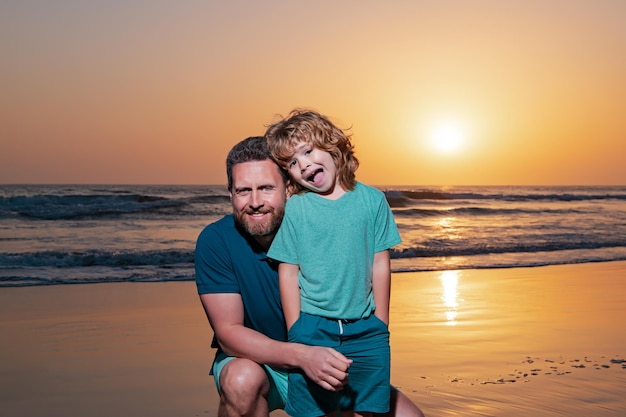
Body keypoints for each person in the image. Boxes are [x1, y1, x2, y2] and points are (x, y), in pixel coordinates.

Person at [195, 136, 426, 417]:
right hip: (262, 365)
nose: (255, 202)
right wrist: (303, 355)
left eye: (267, 188)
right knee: (241, 380)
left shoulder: (324, 225)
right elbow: (229, 334)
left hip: (328, 359)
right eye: (244, 190)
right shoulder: (216, 240)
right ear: (230, 194)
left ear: (289, 189)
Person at [264, 109, 399, 417]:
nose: (304, 165)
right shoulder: (297, 208)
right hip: (311, 328)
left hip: (368, 329)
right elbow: (288, 270)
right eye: (293, 163)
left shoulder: (372, 200)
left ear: (332, 144)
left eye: (308, 151)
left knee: (373, 409)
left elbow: (380, 262)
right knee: (315, 412)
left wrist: (382, 321)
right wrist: (295, 328)